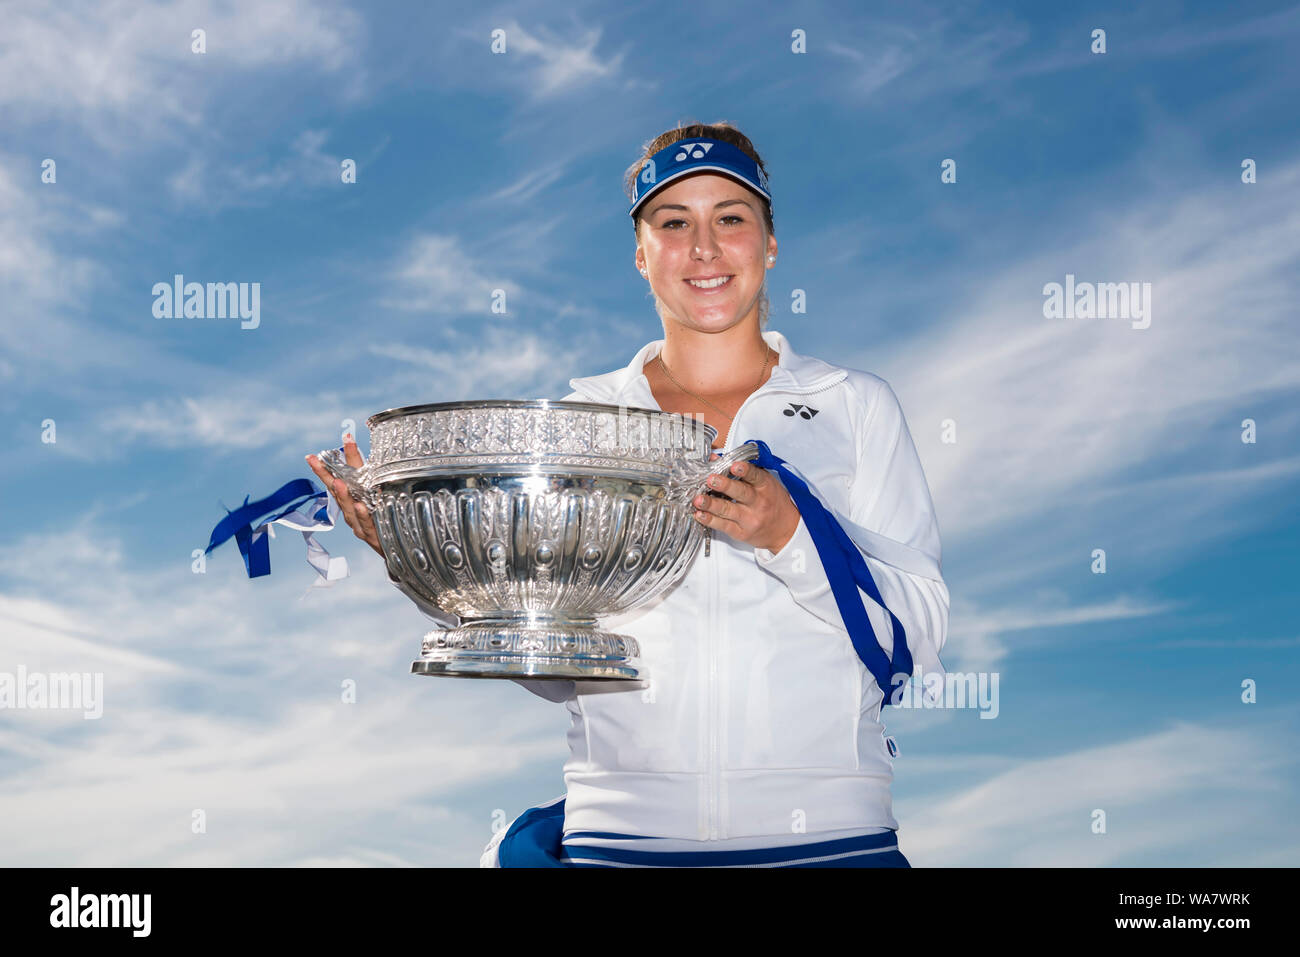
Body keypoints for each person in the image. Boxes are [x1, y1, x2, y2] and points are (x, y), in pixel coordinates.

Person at [307, 121, 949, 868]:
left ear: (770, 244)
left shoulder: (855, 405)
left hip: (833, 843)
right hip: (620, 842)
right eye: (674, 223)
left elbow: (918, 632)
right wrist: (439, 565)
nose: (704, 248)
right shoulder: (581, 422)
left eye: (730, 219)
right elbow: (560, 660)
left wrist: (790, 535)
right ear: (641, 254)